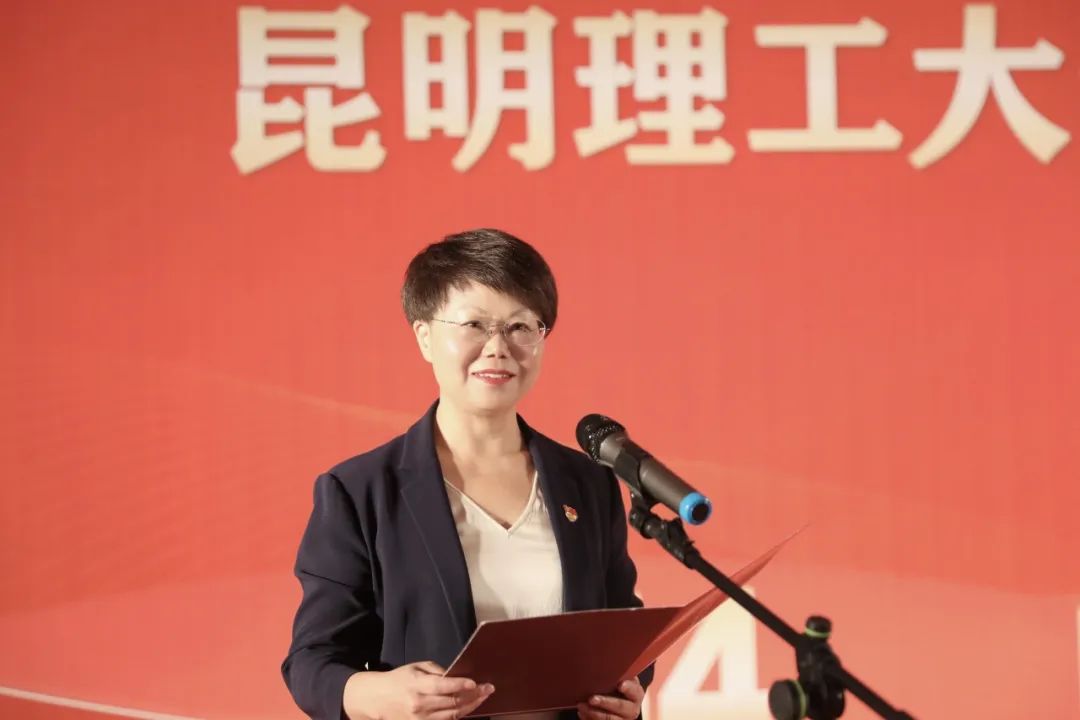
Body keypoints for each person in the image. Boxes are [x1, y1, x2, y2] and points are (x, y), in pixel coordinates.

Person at [282, 228, 652, 720]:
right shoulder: (360, 492)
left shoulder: (588, 483)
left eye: (521, 326)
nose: (498, 348)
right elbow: (312, 662)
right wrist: (378, 697)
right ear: (425, 337)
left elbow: (622, 629)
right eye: (474, 324)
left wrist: (625, 693)